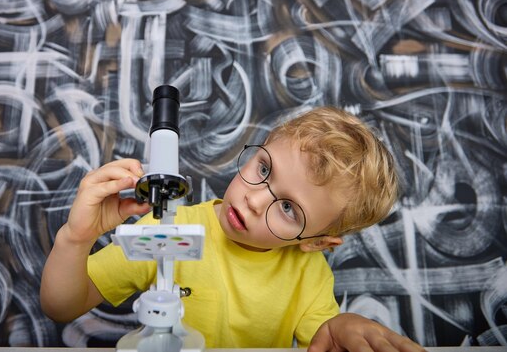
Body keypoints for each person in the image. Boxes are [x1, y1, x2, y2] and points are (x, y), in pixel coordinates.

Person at [40, 106, 426, 351]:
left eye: (289, 208)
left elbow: (326, 334)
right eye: (263, 169)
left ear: (316, 242)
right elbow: (61, 306)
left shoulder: (308, 275)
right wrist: (76, 238)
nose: (255, 200)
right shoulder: (170, 229)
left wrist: (346, 324)